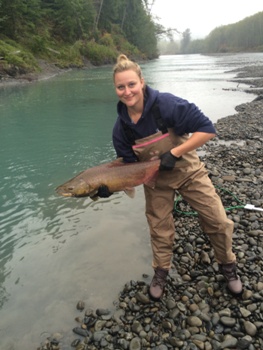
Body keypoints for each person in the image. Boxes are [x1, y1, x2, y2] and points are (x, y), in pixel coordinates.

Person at [98, 54, 243, 300]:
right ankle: (161, 272)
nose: (127, 91)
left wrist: (174, 153)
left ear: (142, 81)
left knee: (218, 219)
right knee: (159, 228)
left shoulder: (167, 105)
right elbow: (129, 169)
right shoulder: (120, 128)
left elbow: (207, 129)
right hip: (156, 182)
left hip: (189, 172)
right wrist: (108, 186)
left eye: (131, 84)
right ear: (115, 89)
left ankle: (228, 265)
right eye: (120, 87)